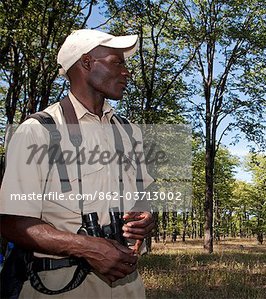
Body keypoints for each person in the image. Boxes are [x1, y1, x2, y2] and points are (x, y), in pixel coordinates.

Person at [0, 29, 154, 298]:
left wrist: (145, 217)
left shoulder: (130, 133)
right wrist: (87, 247)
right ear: (86, 63)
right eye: (117, 62)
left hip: (128, 284)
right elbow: (12, 222)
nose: (126, 72)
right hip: (58, 285)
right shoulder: (38, 130)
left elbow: (142, 197)